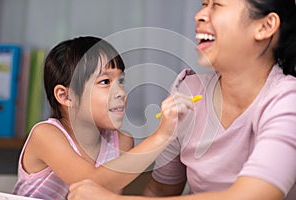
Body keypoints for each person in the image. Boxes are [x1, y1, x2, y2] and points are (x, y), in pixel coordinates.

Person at [67, 0, 296, 199]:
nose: (199, 15)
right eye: (203, 4)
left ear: (265, 26)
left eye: (216, 4)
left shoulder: (287, 99)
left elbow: (249, 197)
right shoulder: (188, 90)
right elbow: (160, 191)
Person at [12, 36, 195, 200]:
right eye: (105, 82)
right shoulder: (46, 134)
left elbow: (103, 198)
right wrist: (161, 135)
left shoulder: (122, 141)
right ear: (65, 96)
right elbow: (91, 184)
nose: (121, 93)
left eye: (121, 81)